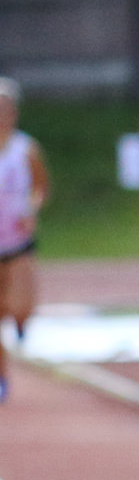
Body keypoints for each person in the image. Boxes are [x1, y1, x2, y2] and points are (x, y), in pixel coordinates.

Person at [0, 78, 44, 404]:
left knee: (20, 306)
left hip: (18, 241)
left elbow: (40, 187)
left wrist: (31, 209)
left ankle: (20, 324)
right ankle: (2, 376)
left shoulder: (26, 149)